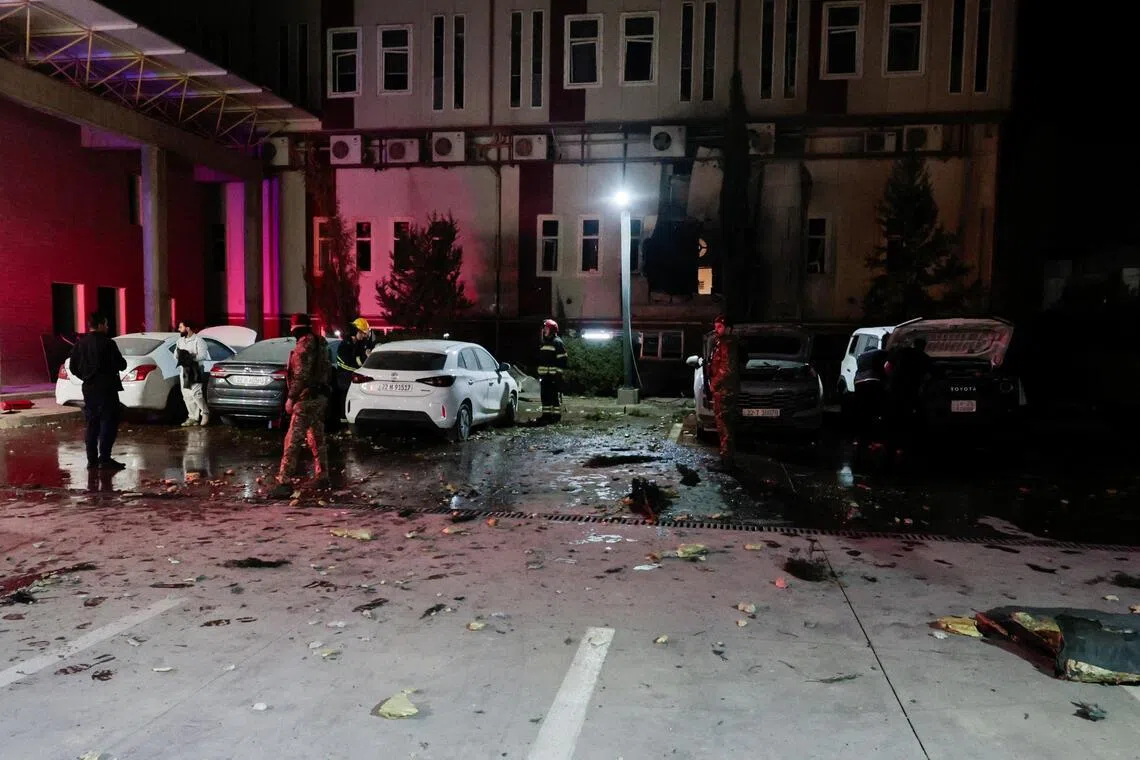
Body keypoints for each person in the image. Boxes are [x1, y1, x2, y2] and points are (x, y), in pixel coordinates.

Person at [271, 314, 332, 497]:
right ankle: (322, 475)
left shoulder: (304, 345)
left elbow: (301, 375)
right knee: (316, 436)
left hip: (306, 399)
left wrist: (291, 398)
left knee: (293, 440)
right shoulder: (321, 343)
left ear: (295, 328)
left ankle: (284, 481)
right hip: (320, 397)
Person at [68, 312, 127, 470]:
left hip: (89, 388)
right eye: (106, 324)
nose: (107, 327)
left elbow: (73, 367)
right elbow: (121, 364)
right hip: (107, 388)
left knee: (92, 423)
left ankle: (92, 460)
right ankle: (105, 458)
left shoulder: (80, 344)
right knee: (108, 422)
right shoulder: (108, 343)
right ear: (100, 325)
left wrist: (86, 376)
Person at [707, 314, 740, 471]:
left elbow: (727, 368)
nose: (716, 329)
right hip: (723, 391)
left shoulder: (728, 344)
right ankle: (726, 460)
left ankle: (726, 463)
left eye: (719, 326)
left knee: (724, 427)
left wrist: (714, 384)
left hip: (725, 391)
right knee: (723, 427)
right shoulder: (720, 342)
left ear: (727, 328)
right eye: (715, 326)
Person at [333, 317, 371, 427]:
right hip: (344, 378)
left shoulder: (358, 344)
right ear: (355, 331)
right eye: (362, 333)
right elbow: (346, 363)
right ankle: (344, 424)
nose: (364, 336)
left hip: (354, 377)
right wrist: (361, 365)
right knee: (346, 400)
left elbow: (359, 359)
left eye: (365, 334)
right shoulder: (345, 345)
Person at [175, 320, 210, 427]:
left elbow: (202, 355)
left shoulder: (199, 340)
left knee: (196, 393)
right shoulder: (180, 341)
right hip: (184, 370)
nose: (179, 329)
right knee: (187, 395)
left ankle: (205, 412)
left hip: (195, 370)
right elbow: (175, 355)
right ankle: (193, 417)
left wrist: (190, 356)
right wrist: (181, 357)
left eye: (181, 327)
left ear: (188, 328)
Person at [536, 318, 568, 423]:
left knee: (554, 397)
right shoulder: (545, 342)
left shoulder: (557, 342)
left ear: (552, 330)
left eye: (546, 328)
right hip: (545, 377)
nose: (544, 330)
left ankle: (556, 417)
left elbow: (563, 360)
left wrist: (557, 375)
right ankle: (546, 416)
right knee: (545, 397)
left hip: (553, 377)